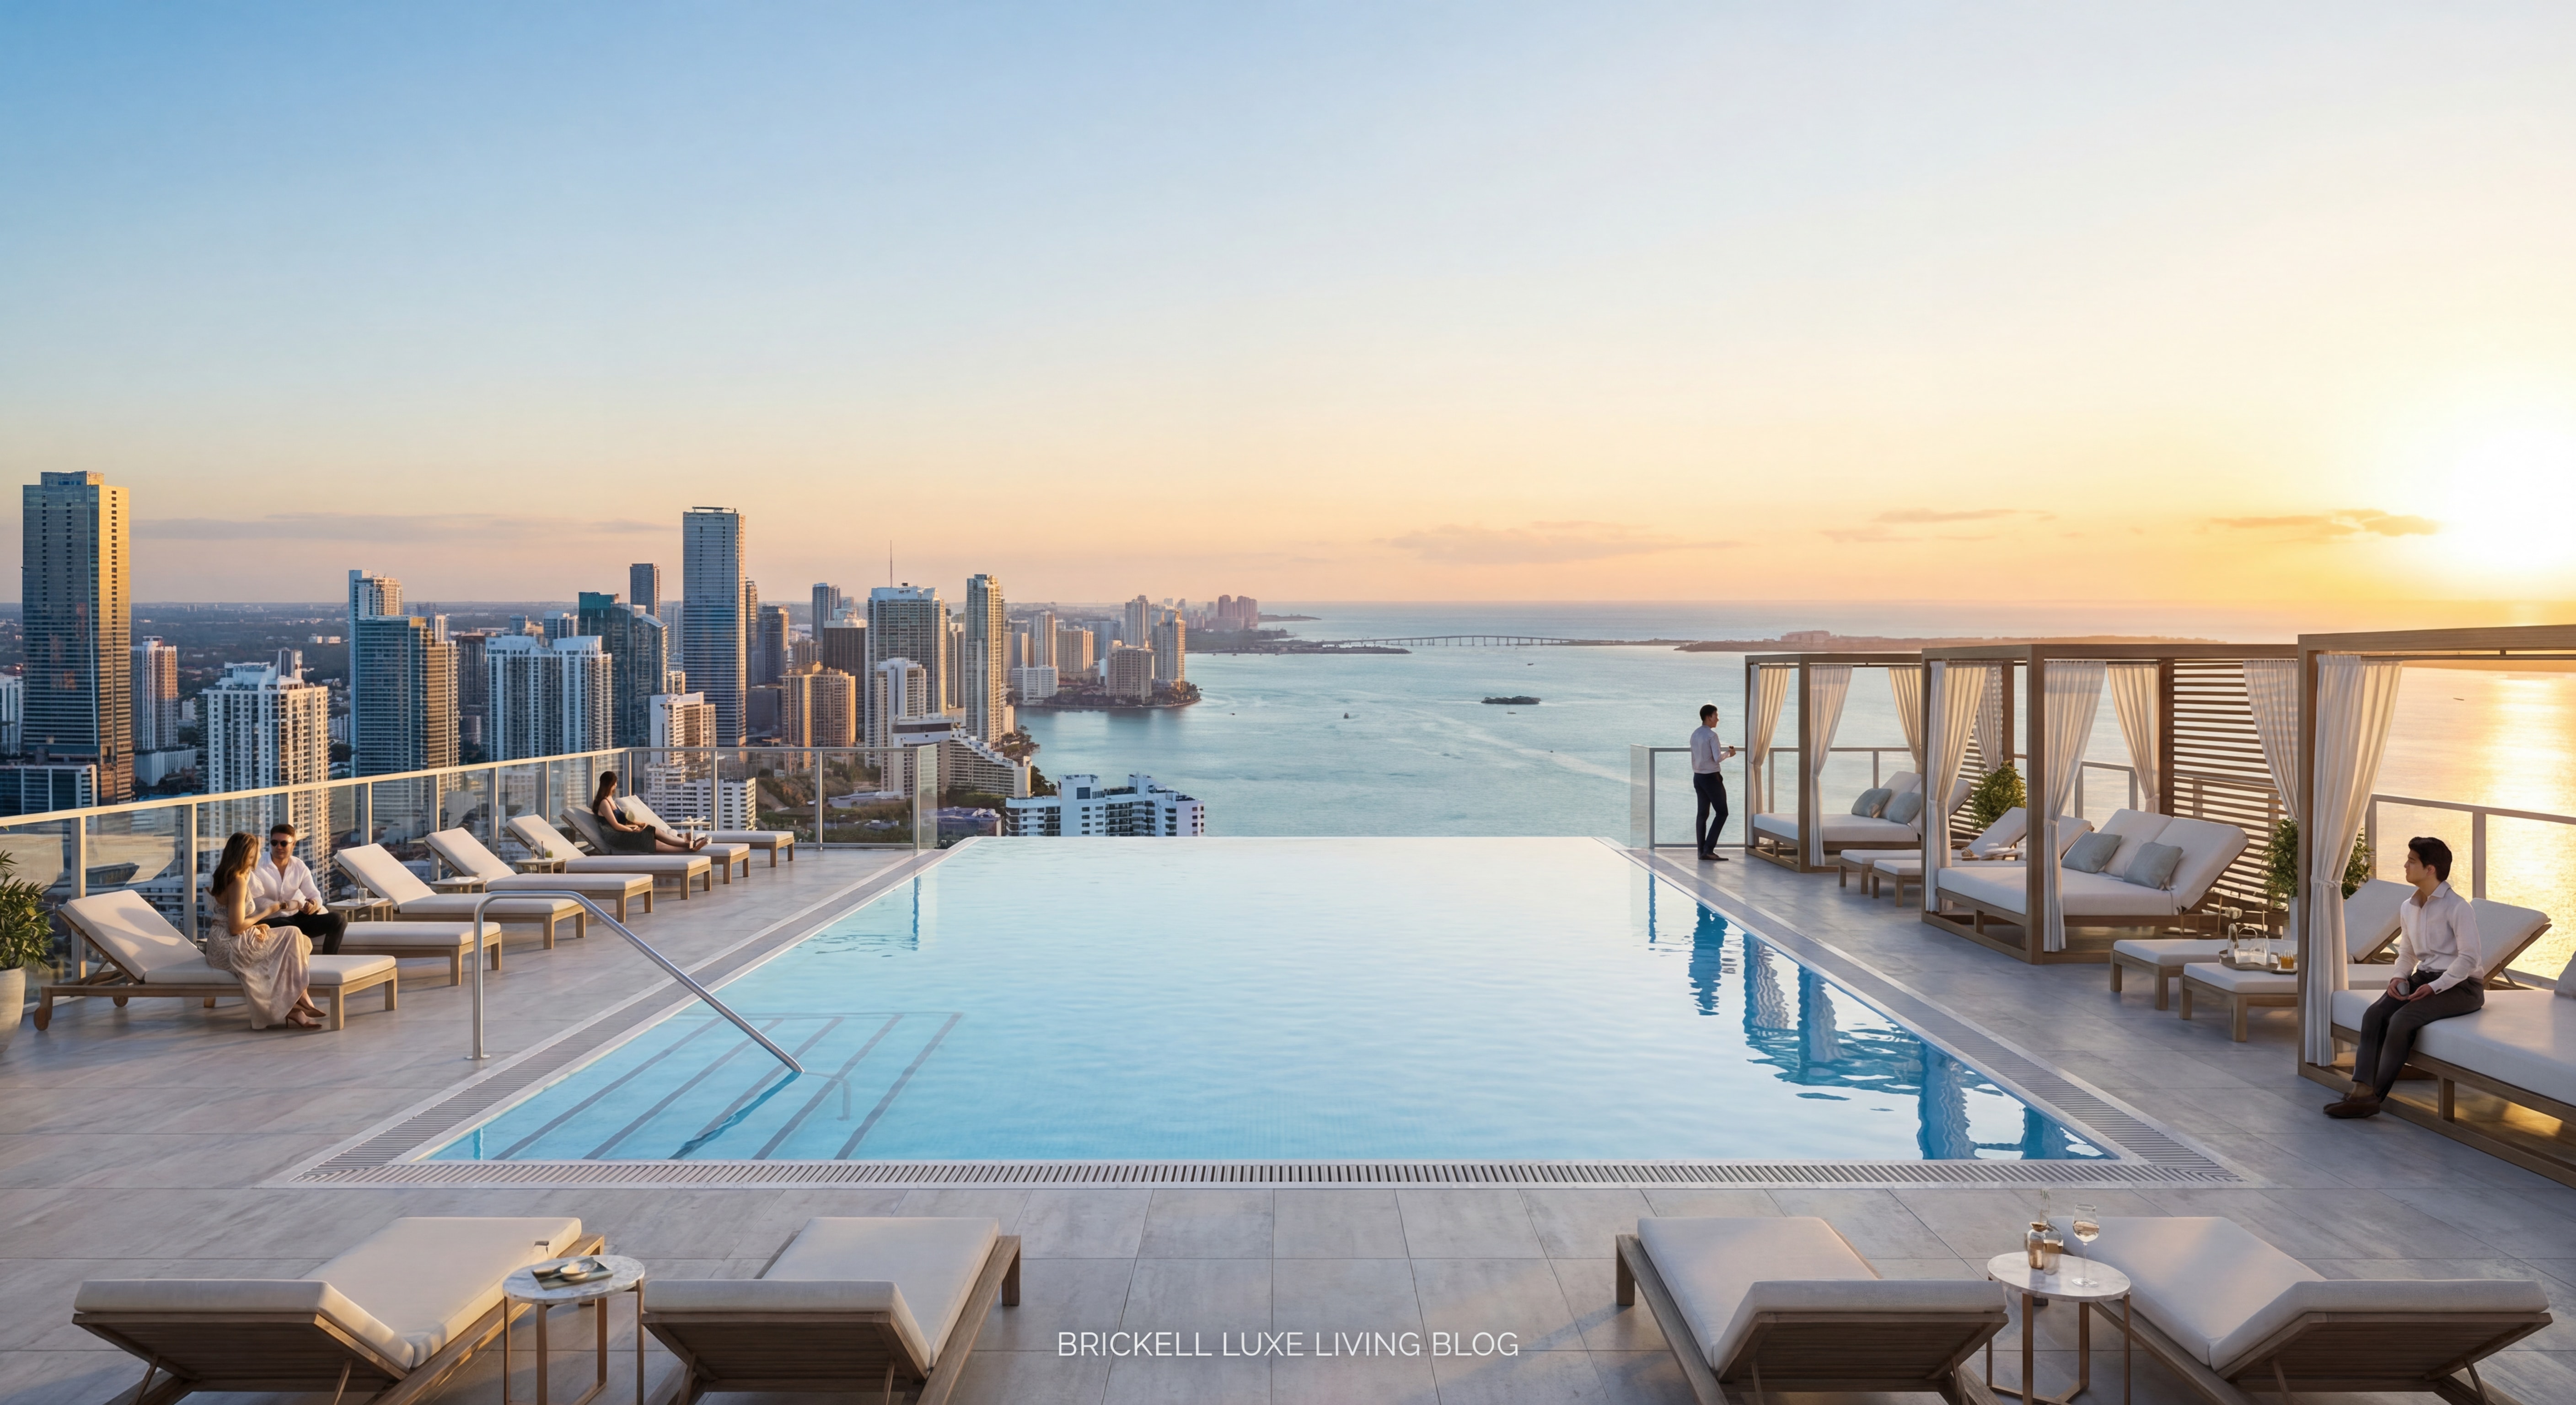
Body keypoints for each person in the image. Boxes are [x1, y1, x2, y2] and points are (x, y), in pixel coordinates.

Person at [2325, 837, 2483, 1119]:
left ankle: (2374, 1098)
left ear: (2431, 869)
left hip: (2462, 986)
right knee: (2375, 1014)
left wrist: (2435, 988)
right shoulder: (2408, 907)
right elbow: (2408, 953)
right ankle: (2360, 1091)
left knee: (2401, 1020)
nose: (2405, 865)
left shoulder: (2458, 908)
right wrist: (2399, 977)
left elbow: (2469, 959)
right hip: (2424, 978)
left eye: (2412, 861)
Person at [208, 831, 322, 1030]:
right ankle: (298, 999)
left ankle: (296, 1004)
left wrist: (255, 925)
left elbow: (230, 918)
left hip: (221, 938)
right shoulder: (238, 881)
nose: (259, 857)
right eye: (255, 854)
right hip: (227, 946)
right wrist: (267, 912)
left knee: (298, 938)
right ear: (246, 856)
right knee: (292, 934)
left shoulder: (224, 874)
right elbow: (235, 928)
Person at [245, 823, 346, 955]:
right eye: (274, 843)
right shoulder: (257, 866)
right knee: (288, 925)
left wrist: (313, 905)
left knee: (339, 919)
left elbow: (315, 896)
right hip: (268, 921)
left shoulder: (299, 866)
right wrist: (287, 905)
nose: (278, 847)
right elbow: (251, 901)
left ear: (294, 844)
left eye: (284, 843)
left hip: (294, 918)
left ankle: (329, 959)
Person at [593, 772, 707, 853]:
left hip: (623, 832)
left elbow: (623, 820)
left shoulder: (610, 799)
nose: (616, 785)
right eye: (615, 783)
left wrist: (638, 825)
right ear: (610, 784)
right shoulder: (604, 803)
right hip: (616, 837)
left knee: (652, 830)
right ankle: (689, 848)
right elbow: (616, 826)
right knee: (650, 840)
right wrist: (632, 830)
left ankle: (689, 844)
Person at [1690, 703, 1739, 861]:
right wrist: (1730, 753)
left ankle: (1701, 851)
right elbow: (1717, 758)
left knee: (1702, 814)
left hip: (1698, 777)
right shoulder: (1712, 736)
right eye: (1716, 715)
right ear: (1709, 717)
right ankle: (1709, 849)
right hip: (1711, 777)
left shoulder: (1695, 734)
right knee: (1722, 812)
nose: (1718, 719)